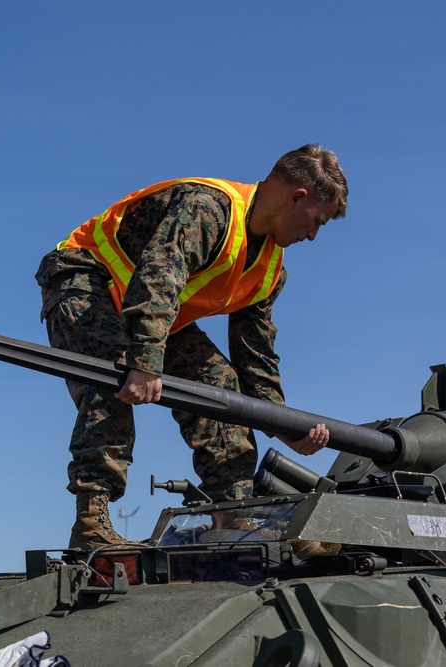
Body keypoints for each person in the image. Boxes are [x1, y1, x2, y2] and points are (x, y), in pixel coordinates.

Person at [35, 144, 348, 549]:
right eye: (317, 221)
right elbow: (158, 277)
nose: (313, 235)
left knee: (220, 386)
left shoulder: (271, 268)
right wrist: (146, 363)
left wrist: (283, 425)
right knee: (111, 379)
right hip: (87, 279)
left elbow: (256, 356)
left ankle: (231, 516)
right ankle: (91, 522)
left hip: (154, 313)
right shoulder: (208, 208)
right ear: (297, 198)